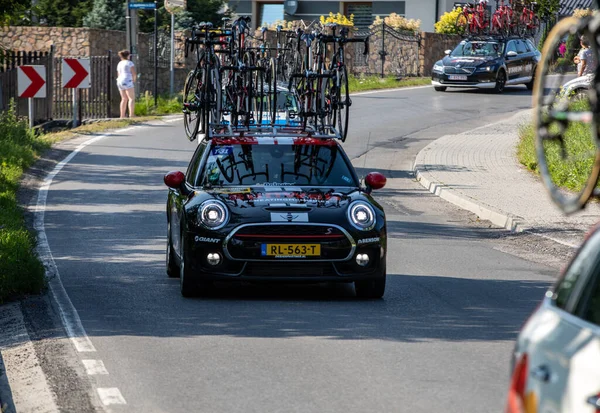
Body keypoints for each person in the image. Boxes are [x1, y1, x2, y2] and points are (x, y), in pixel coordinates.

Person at [116, 50, 136, 118]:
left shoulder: (119, 63)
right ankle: (131, 114)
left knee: (124, 98)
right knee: (131, 98)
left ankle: (122, 115)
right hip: (127, 80)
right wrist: (134, 80)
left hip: (120, 80)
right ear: (128, 56)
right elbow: (133, 73)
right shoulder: (129, 63)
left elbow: (118, 73)